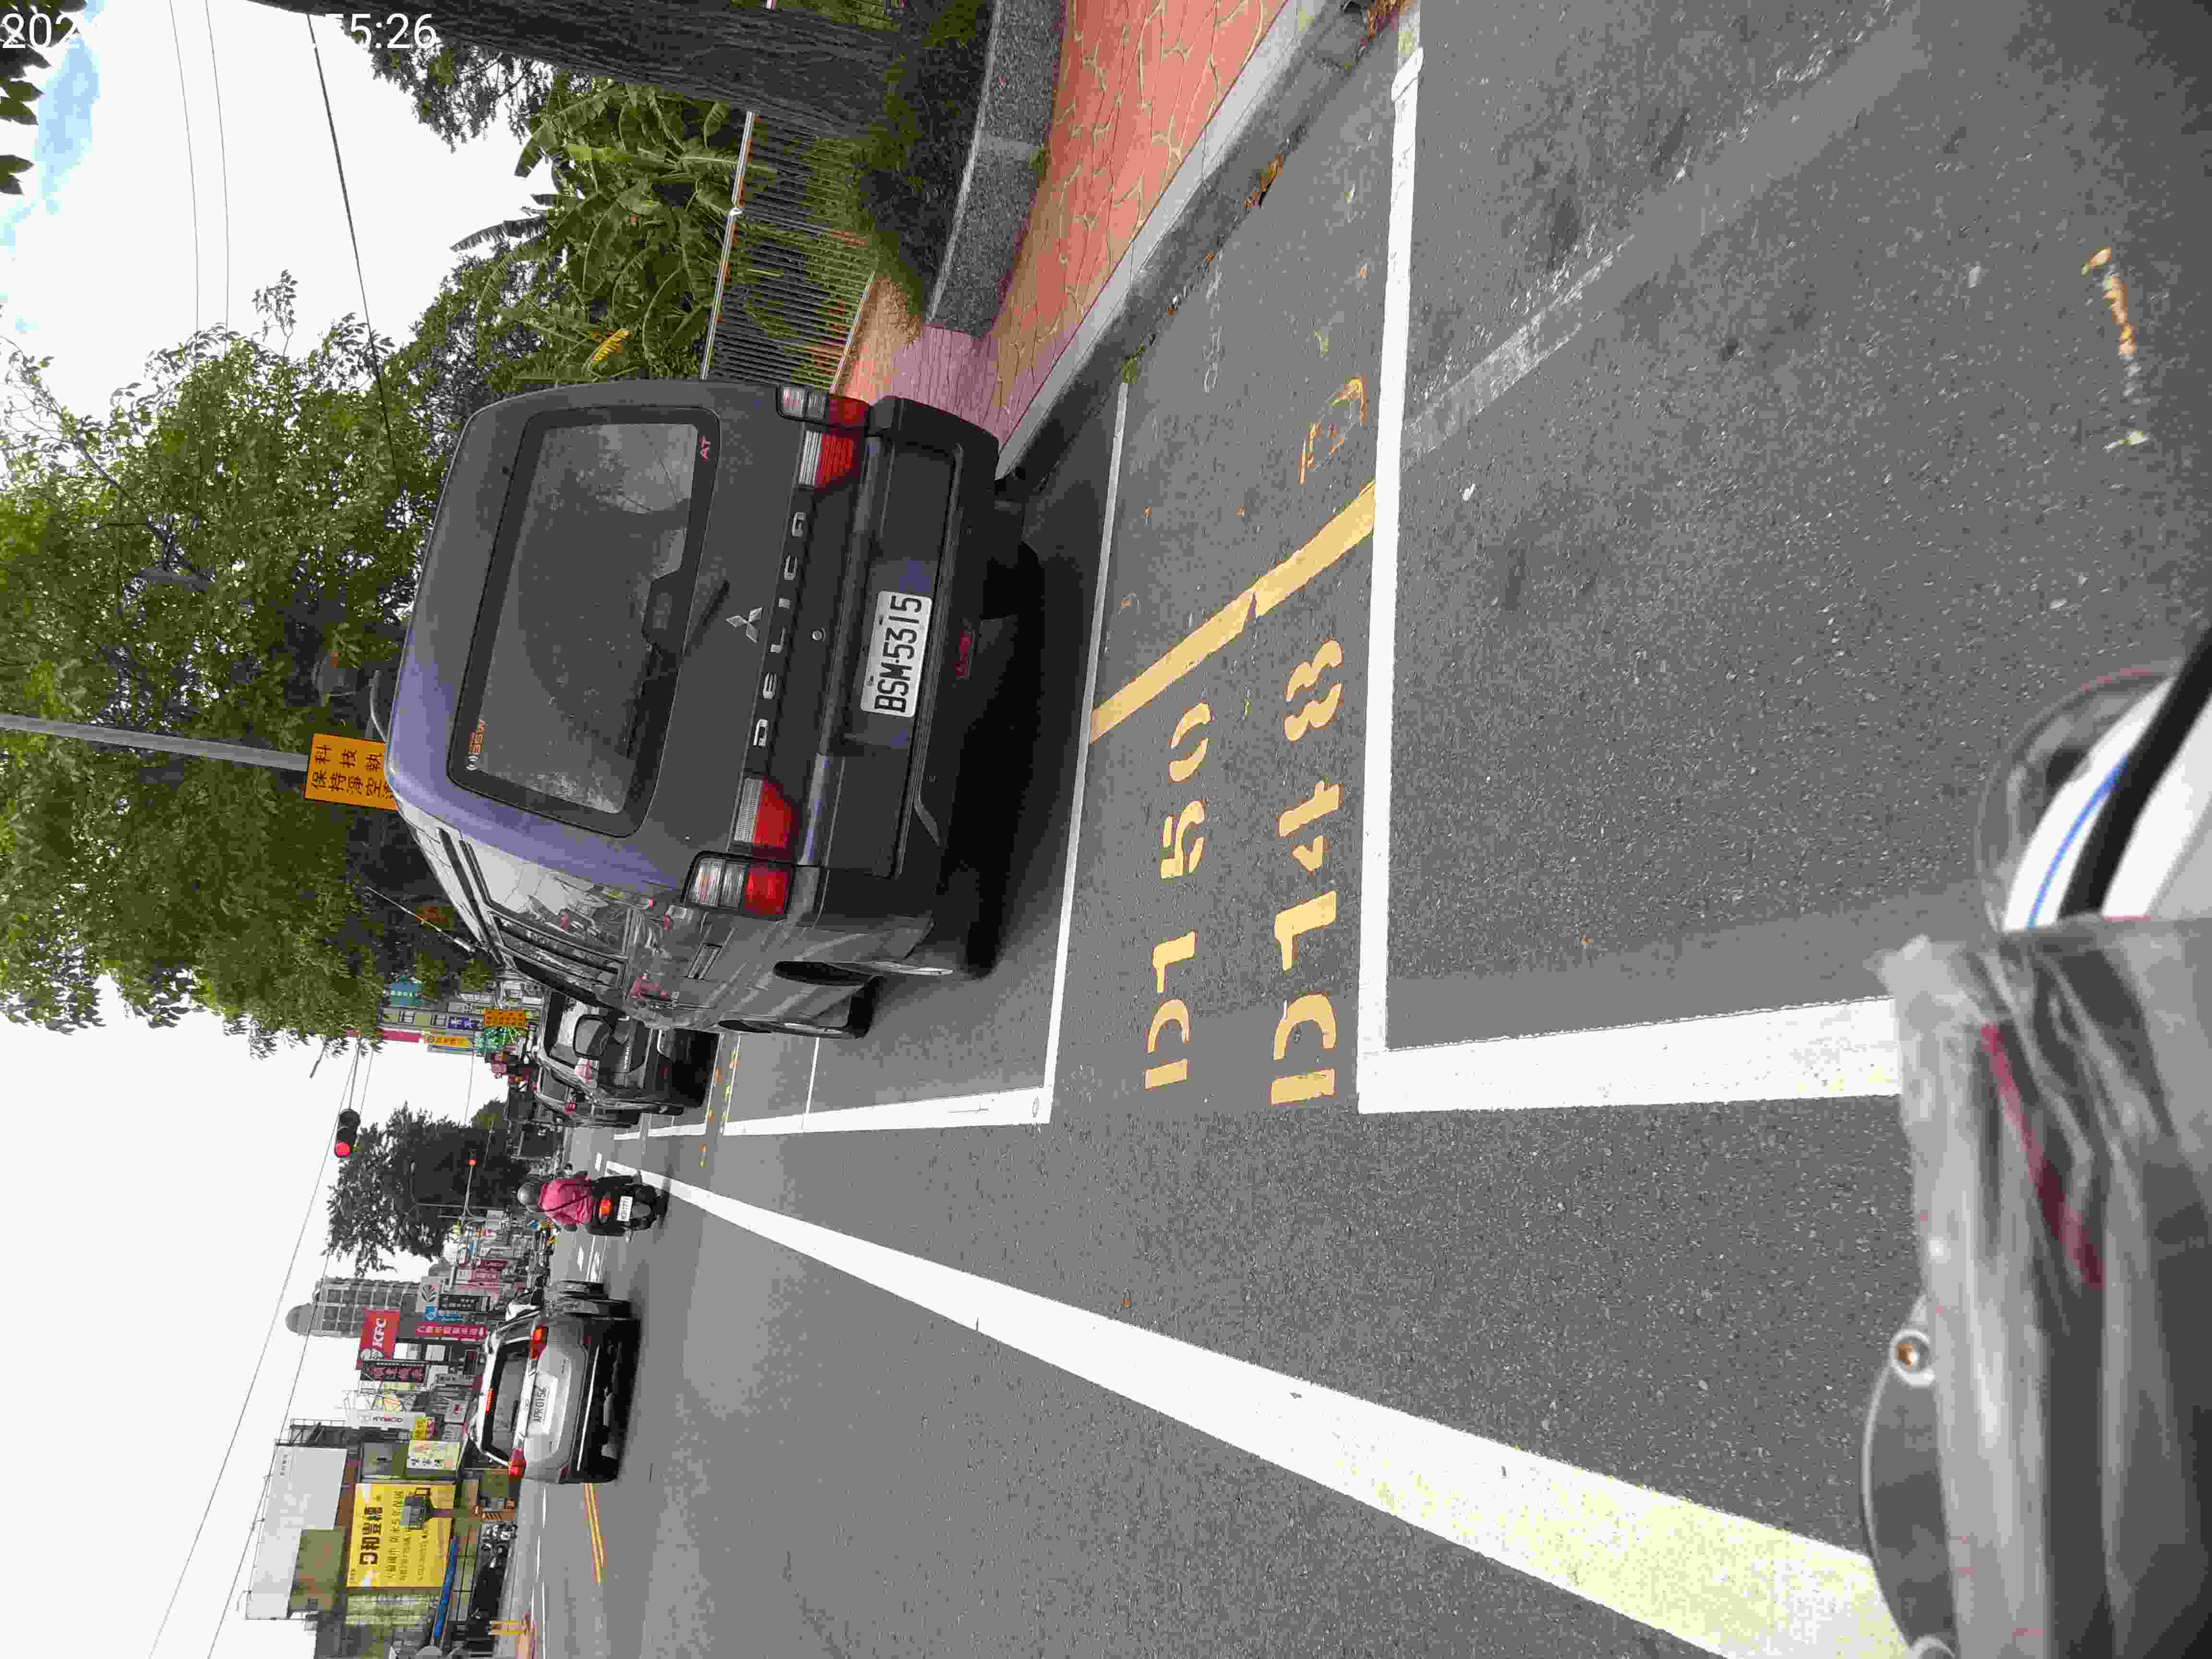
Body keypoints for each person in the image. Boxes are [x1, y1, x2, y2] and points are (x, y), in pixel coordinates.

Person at [516, 1168, 595, 1231]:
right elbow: (576, 1182)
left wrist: (572, 1224)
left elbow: (569, 1223)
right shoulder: (555, 1183)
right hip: (593, 1193)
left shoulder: (549, 1212)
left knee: (591, 1229)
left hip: (590, 1216)